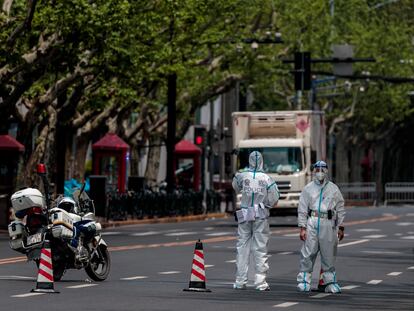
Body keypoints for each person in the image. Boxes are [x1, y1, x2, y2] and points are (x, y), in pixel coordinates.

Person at [232, 151, 280, 291]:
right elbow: (274, 197)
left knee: (242, 247)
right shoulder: (267, 179)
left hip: (245, 213)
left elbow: (235, 186)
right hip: (260, 214)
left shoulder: (242, 175)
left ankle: (240, 281)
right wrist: (267, 205)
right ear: (261, 161)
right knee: (260, 247)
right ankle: (260, 282)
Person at [296, 160, 345, 293]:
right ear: (313, 171)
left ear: (327, 171)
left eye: (323, 169)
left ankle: (329, 282)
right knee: (308, 253)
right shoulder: (308, 188)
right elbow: (302, 208)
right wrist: (302, 227)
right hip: (312, 222)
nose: (320, 172)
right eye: (317, 170)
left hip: (328, 224)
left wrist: (341, 227)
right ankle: (304, 281)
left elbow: (340, 207)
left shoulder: (333, 188)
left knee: (328, 254)